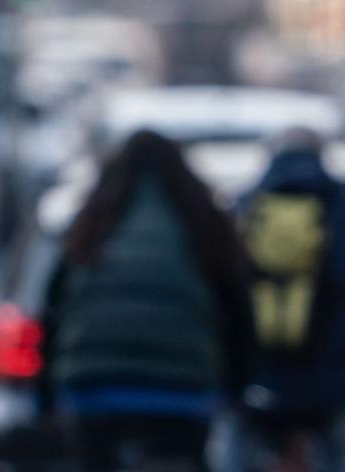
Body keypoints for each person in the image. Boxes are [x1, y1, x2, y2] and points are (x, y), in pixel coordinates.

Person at [43, 130, 253, 471]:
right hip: (182, 388)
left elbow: (53, 308)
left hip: (95, 387)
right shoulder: (202, 221)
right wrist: (236, 385)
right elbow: (237, 311)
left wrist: (47, 393)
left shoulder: (92, 221)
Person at [223, 128, 345, 472]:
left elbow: (220, 291)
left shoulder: (244, 209)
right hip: (331, 379)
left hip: (258, 380)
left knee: (236, 444)